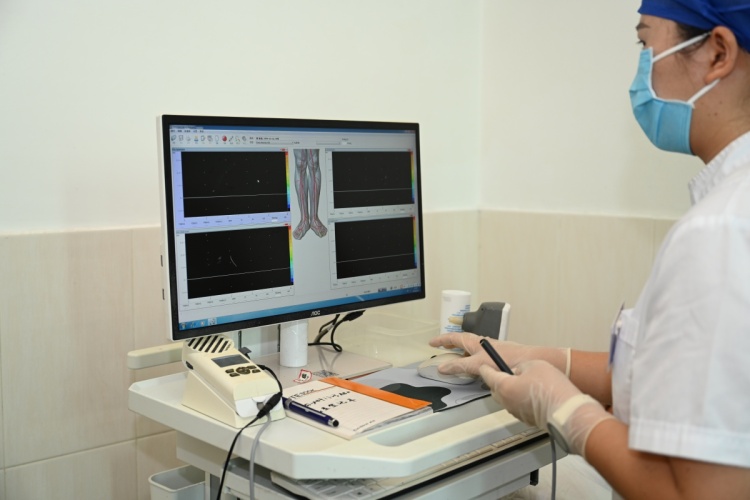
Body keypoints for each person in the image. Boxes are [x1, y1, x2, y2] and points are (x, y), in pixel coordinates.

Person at [430, 0, 750, 498]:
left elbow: (701, 494)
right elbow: (689, 376)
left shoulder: (721, 230)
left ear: (718, 53)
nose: (640, 72)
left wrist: (567, 412)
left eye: (645, 43)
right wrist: (535, 357)